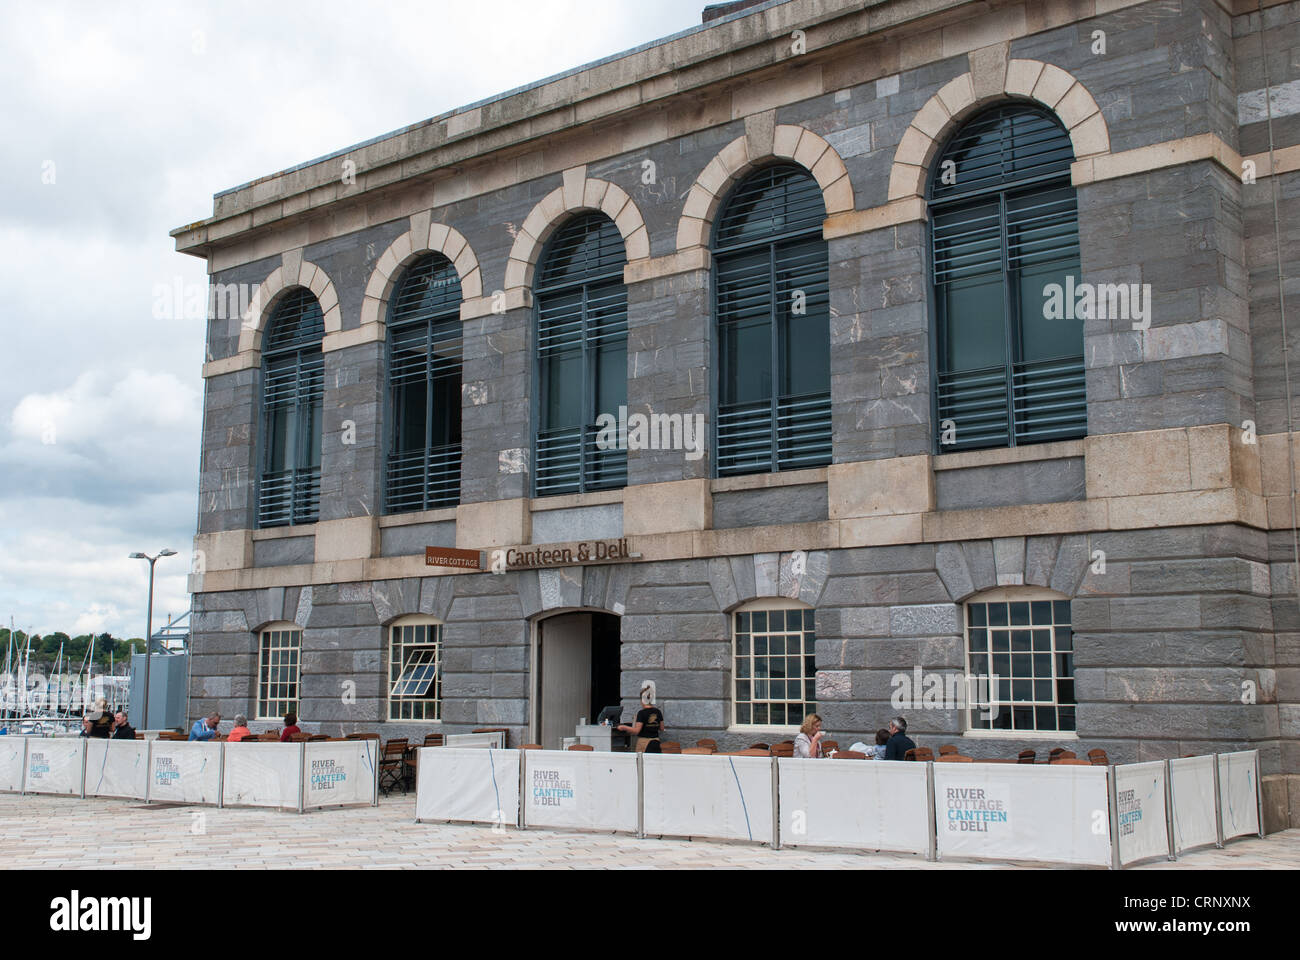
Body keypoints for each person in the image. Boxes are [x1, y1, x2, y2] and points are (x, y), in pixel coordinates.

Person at [618, 686, 664, 753]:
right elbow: (662, 728)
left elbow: (636, 731)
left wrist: (623, 727)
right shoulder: (658, 711)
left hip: (644, 743)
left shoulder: (641, 713)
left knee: (641, 759)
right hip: (656, 742)